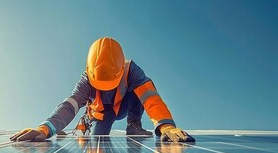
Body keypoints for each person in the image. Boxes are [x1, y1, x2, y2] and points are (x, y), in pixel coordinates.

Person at [11, 37, 195, 142]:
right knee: (97, 144)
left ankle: (134, 125)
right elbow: (71, 104)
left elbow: (150, 97)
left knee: (140, 89)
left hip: (124, 105)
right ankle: (82, 130)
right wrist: (46, 128)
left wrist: (166, 125)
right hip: (102, 114)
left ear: (121, 69)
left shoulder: (131, 70)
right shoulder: (86, 79)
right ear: (91, 72)